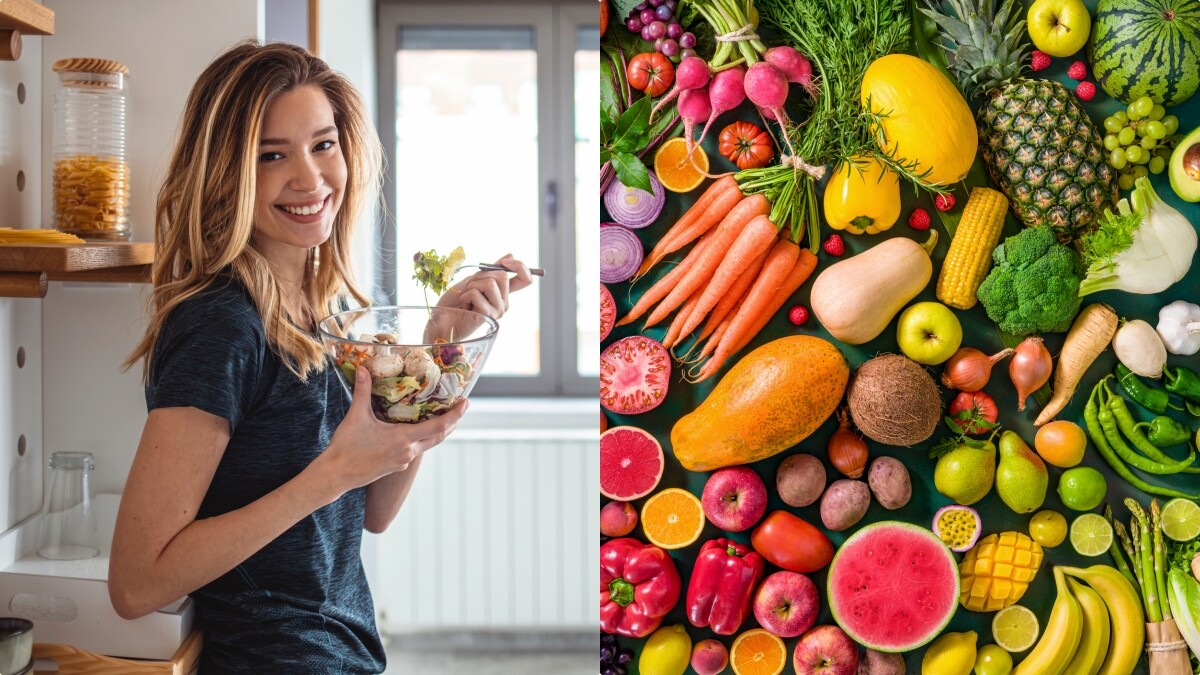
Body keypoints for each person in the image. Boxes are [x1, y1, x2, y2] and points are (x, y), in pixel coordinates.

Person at [107, 40, 533, 673]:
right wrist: (334, 469)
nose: (310, 179)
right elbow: (137, 584)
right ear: (226, 171)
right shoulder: (220, 325)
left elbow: (376, 509)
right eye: (271, 155)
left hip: (344, 653)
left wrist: (439, 347)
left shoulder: (324, 309)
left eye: (323, 144)